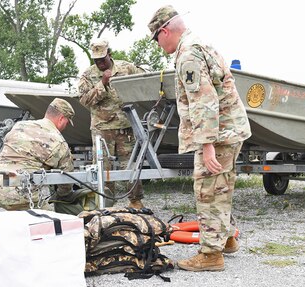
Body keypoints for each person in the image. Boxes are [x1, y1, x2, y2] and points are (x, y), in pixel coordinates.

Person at [148, 5, 252, 271]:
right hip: (229, 129)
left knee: (208, 191)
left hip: (217, 134)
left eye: (156, 38)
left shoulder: (188, 54)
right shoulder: (200, 44)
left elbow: (203, 101)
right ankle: (226, 240)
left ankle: (210, 255)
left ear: (164, 31)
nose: (158, 45)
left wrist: (206, 146)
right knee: (222, 187)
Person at [0, 98, 88, 216]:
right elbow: (66, 182)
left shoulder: (20, 126)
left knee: (20, 208)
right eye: (67, 123)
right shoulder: (59, 142)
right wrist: (63, 196)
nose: (65, 126)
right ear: (61, 118)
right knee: (51, 219)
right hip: (13, 190)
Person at [77, 39, 146, 209]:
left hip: (125, 128)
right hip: (102, 130)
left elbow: (144, 78)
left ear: (110, 54)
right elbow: (85, 100)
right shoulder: (88, 75)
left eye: (103, 59)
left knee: (130, 166)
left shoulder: (126, 68)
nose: (100, 63)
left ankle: (135, 202)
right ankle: (106, 205)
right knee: (103, 170)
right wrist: (102, 84)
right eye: (96, 60)